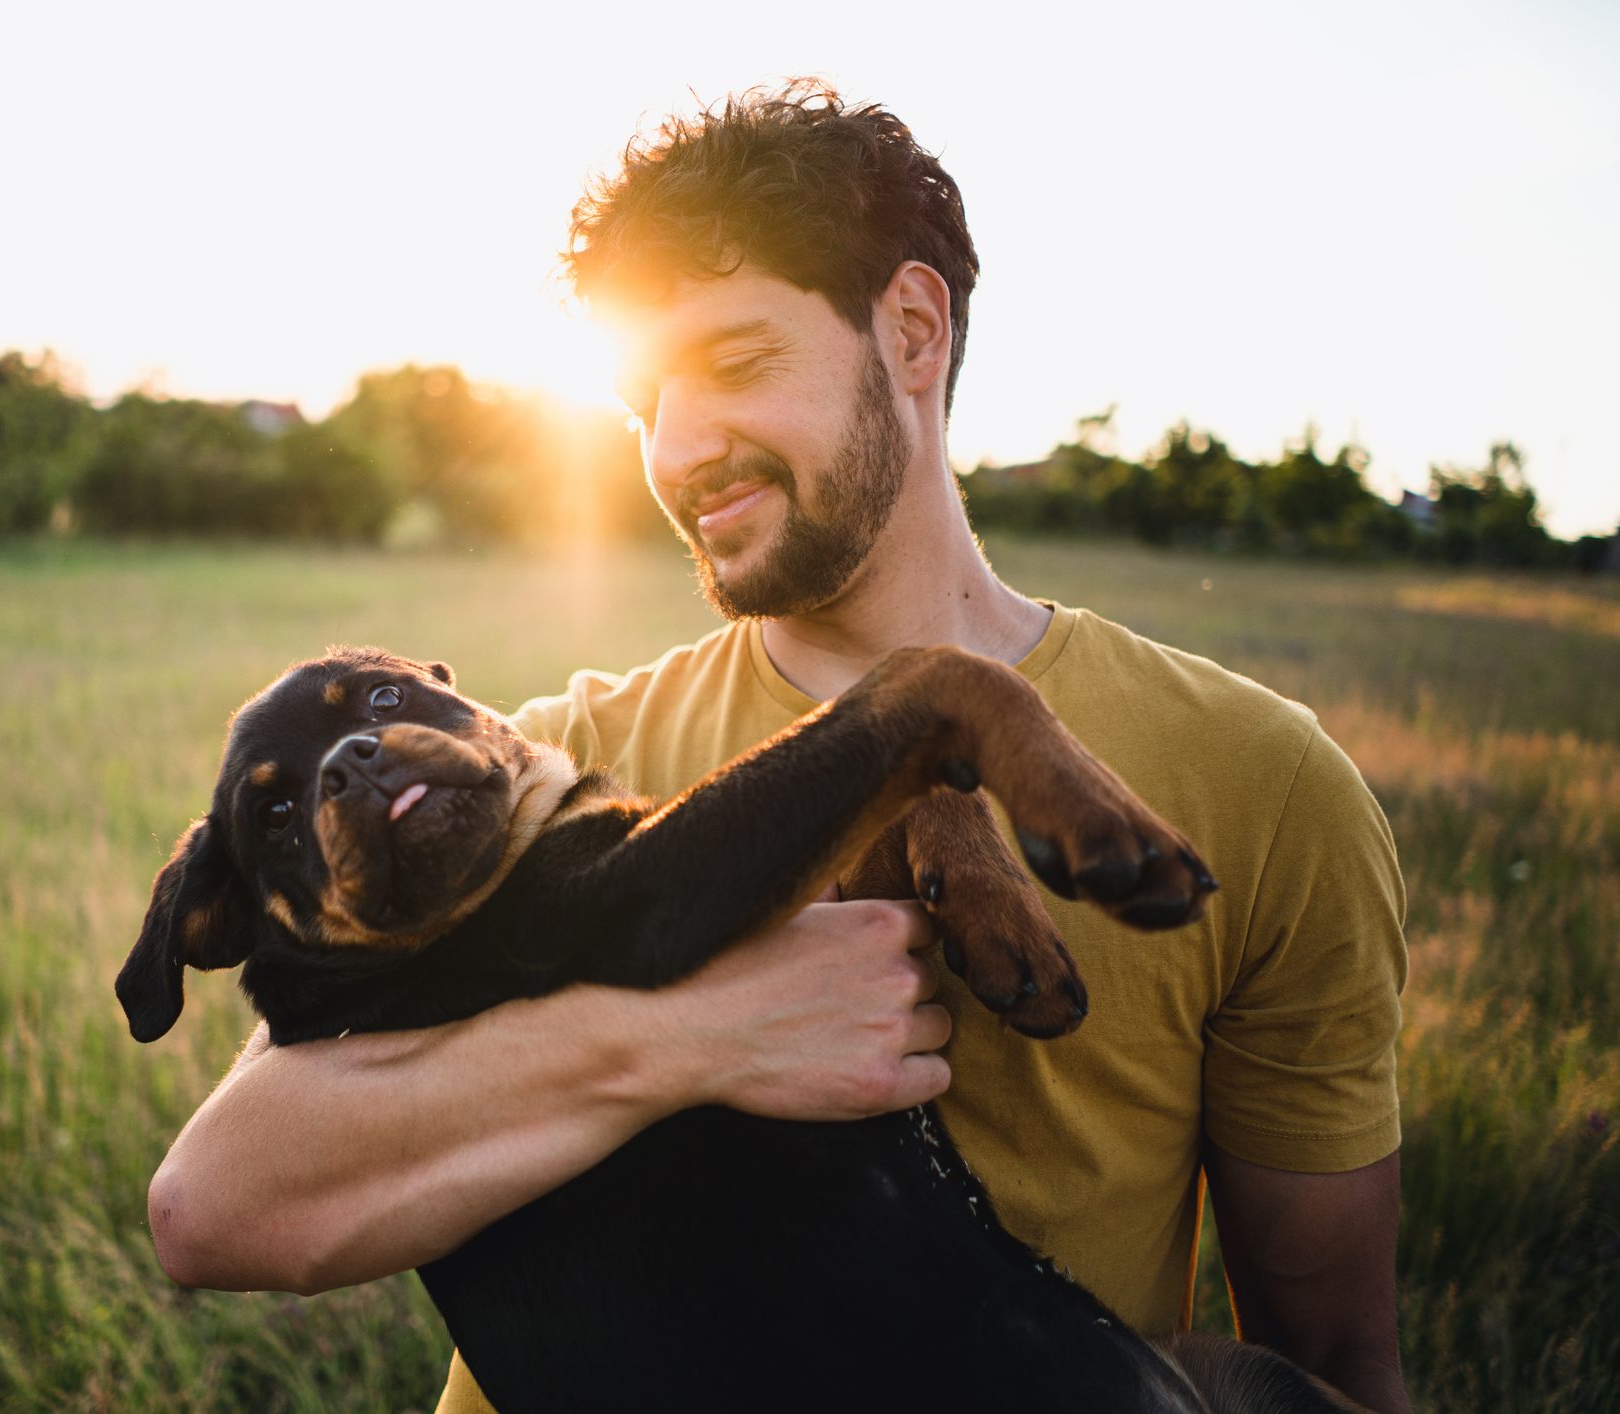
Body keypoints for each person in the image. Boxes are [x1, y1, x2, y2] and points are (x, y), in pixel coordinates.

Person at [144, 82, 1412, 1414]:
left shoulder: (1264, 784)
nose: (680, 446)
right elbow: (218, 1204)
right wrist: (696, 1037)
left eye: (737, 363)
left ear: (911, 332)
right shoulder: (554, 764)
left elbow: (1334, 1355)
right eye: (643, 399)